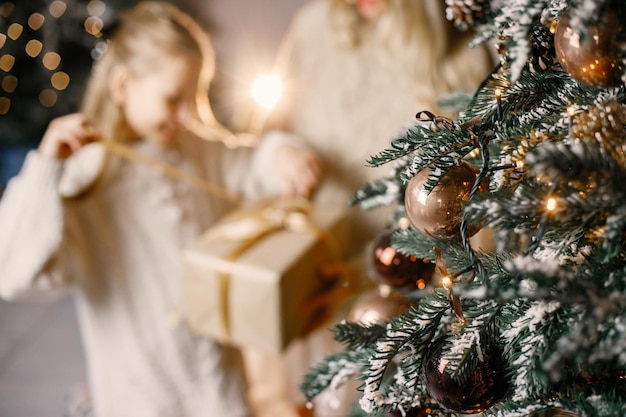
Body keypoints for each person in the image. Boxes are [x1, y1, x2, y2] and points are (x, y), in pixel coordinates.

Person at [0, 2, 321, 417]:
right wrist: (46, 168)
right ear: (122, 86)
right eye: (173, 99)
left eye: (194, 97)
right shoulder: (86, 176)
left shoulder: (193, 148)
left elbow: (246, 162)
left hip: (219, 386)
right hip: (139, 394)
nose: (185, 114)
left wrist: (281, 154)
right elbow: (14, 273)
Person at [242, 1, 497, 417]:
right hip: (310, 280)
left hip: (410, 301)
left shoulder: (456, 34)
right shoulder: (313, 26)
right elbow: (267, 136)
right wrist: (280, 153)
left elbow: (484, 201)